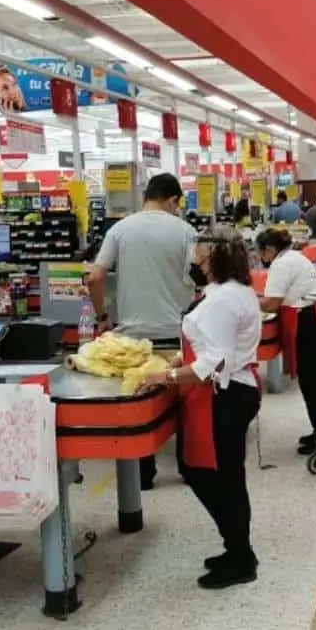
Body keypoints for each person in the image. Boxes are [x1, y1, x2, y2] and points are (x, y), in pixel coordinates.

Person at [141, 226, 262, 589]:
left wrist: (167, 377)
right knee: (216, 474)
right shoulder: (235, 291)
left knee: (214, 476)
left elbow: (216, 362)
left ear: (213, 258)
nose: (193, 260)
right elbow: (212, 345)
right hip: (233, 392)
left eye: (198, 254)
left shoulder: (221, 301)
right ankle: (235, 547)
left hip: (223, 396)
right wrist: (180, 357)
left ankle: (241, 556)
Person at [88, 173, 198, 489]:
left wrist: (102, 316)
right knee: (182, 399)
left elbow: (95, 277)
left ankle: (143, 473)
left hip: (133, 338)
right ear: (174, 200)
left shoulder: (120, 229)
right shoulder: (186, 231)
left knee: (139, 400)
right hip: (177, 332)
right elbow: (200, 276)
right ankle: (188, 467)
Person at [254, 228, 316, 455]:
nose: (262, 259)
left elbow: (271, 303)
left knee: (311, 382)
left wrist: (246, 301)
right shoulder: (296, 257)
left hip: (306, 324)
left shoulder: (281, 265)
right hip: (314, 320)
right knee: (313, 382)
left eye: (262, 253)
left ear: (269, 249)